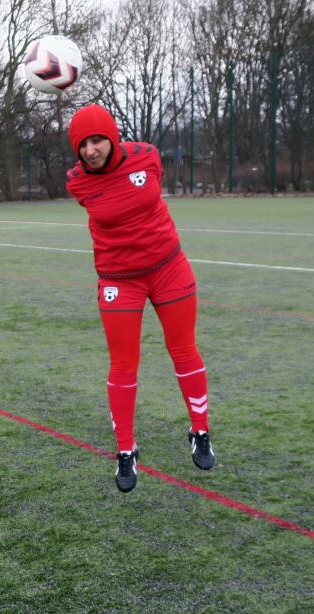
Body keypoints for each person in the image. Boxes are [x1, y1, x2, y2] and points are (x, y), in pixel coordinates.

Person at [65, 103, 216, 493]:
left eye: (98, 140)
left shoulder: (147, 156)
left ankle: (199, 431)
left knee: (184, 349)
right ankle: (125, 450)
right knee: (123, 363)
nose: (91, 150)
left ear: (112, 137)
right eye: (83, 145)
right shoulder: (78, 183)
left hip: (169, 267)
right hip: (119, 279)